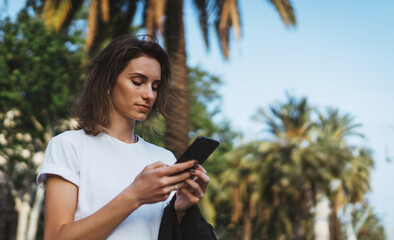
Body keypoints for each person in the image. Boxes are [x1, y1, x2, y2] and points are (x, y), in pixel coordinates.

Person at [36, 35, 212, 239]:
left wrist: (181, 210)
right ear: (108, 82)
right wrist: (135, 195)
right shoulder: (69, 146)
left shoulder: (164, 158)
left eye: (155, 86)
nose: (150, 95)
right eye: (138, 82)